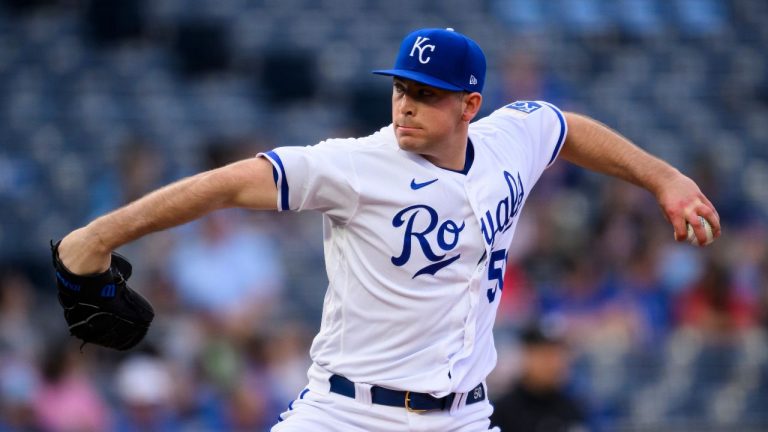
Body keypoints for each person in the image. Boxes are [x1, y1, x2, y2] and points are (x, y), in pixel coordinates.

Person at [56, 28, 720, 431]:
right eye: (402, 86)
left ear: (469, 105)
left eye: (427, 92)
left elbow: (565, 127)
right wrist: (97, 237)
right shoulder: (355, 165)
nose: (406, 102)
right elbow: (230, 182)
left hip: (463, 415)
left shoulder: (509, 141)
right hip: (349, 414)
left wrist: (662, 178)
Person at [490, 324, 588, 432]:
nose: (552, 363)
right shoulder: (502, 411)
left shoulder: (572, 408)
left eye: (556, 354)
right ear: (526, 355)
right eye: (544, 355)